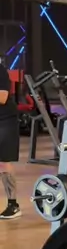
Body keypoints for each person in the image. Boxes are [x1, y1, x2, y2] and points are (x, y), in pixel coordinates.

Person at [0, 57, 21, 219]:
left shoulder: (0, 71)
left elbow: (2, 97)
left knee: (3, 162)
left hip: (5, 120)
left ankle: (13, 205)